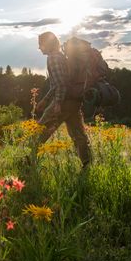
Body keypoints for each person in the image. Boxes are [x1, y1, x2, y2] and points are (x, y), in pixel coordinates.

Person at [36, 31, 92, 170]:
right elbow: (57, 83)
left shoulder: (53, 58)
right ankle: (87, 164)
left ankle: (28, 162)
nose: (39, 48)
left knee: (40, 132)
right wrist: (45, 99)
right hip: (74, 101)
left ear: (47, 44)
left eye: (40, 44)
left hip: (63, 102)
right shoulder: (61, 57)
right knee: (79, 135)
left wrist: (58, 103)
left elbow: (61, 84)